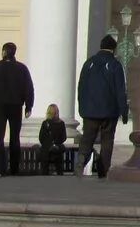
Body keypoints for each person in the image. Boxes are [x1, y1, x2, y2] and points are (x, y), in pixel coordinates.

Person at [76, 35, 130, 178]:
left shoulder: (89, 63)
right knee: (107, 140)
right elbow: (120, 90)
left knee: (87, 138)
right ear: (114, 48)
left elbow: (81, 87)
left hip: (89, 110)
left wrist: (82, 107)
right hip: (109, 111)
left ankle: (82, 158)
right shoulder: (115, 64)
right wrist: (124, 111)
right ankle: (103, 168)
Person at [0, 42, 34, 177]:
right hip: (16, 106)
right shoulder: (22, 69)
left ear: (4, 52)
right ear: (14, 52)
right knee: (15, 137)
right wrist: (28, 106)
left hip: (0, 106)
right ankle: (14, 169)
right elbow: (29, 89)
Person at [37, 104, 68, 176]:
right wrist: (57, 144)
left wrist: (47, 144)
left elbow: (41, 137)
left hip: (46, 150)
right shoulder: (61, 123)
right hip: (57, 148)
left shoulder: (45, 123)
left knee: (44, 153)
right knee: (59, 159)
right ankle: (60, 174)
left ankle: (44, 174)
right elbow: (64, 137)